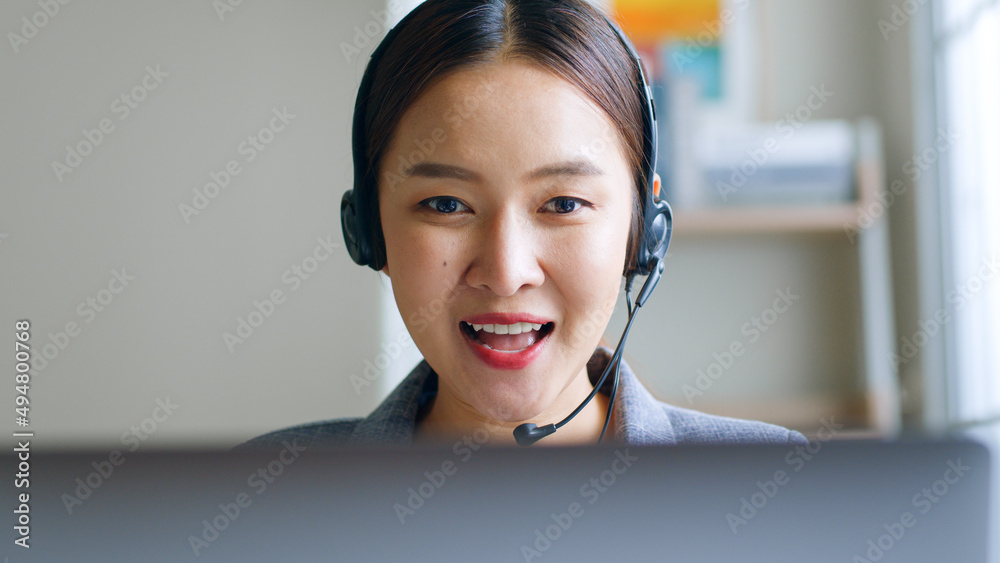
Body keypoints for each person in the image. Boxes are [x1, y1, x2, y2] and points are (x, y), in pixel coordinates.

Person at [243, 0, 806, 449]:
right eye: (445, 204)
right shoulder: (260, 500)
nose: (506, 272)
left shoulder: (779, 493)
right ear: (370, 230)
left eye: (562, 203)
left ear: (643, 232)